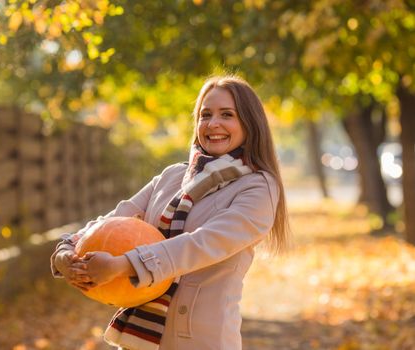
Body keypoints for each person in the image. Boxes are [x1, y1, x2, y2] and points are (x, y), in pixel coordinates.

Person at [50, 75, 290, 350]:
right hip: (141, 339)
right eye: (205, 115)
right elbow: (114, 220)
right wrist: (66, 253)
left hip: (201, 339)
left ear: (250, 123)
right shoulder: (172, 176)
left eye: (227, 115)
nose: (213, 124)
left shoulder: (259, 187)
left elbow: (202, 244)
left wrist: (122, 265)